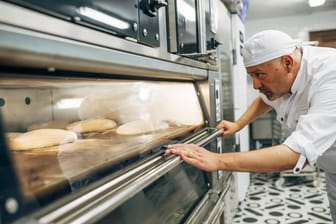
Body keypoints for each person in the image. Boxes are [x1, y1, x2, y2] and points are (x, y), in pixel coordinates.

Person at [165, 30, 336, 221]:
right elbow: (264, 99)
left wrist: (219, 161)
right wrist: (238, 124)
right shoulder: (287, 73)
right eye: (251, 76)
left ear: (287, 62)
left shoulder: (330, 77)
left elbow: (296, 154)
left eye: (259, 74)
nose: (255, 85)